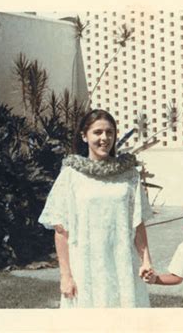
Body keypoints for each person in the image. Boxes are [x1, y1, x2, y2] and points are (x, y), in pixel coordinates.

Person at [38, 109, 154, 308]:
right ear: (84, 136)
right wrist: (66, 276)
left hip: (122, 264)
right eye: (97, 132)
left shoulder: (129, 175)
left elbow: (137, 222)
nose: (104, 138)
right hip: (85, 266)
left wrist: (146, 260)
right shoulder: (71, 175)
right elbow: (61, 231)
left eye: (109, 132)